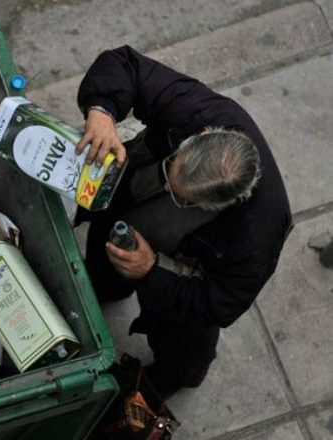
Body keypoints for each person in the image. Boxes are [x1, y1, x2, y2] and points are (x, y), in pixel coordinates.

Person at [75, 46, 291, 398]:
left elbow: (218, 303)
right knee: (103, 268)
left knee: (183, 351)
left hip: (180, 267)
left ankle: (166, 381)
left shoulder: (257, 235)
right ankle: (104, 288)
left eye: (181, 198)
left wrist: (151, 271)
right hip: (126, 207)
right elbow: (126, 65)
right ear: (201, 136)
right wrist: (101, 112)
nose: (167, 189)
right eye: (171, 170)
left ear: (227, 202)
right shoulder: (202, 110)